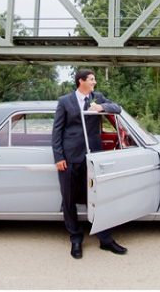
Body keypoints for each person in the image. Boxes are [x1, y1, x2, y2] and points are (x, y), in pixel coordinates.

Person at [51, 68, 127, 259]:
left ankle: (105, 239)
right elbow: (57, 131)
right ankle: (76, 239)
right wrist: (59, 157)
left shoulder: (97, 97)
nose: (94, 82)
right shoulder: (64, 101)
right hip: (69, 157)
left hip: (93, 157)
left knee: (97, 197)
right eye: (92, 79)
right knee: (69, 199)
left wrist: (101, 107)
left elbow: (117, 108)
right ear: (81, 81)